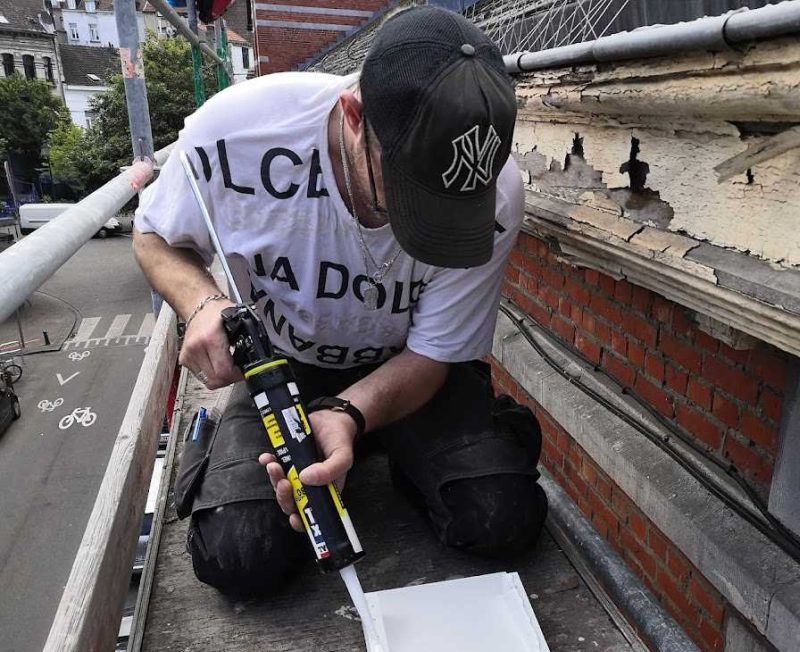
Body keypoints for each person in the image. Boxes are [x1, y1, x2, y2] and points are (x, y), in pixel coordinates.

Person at [133, 6, 547, 599]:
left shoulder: (496, 190)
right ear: (354, 116)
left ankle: (395, 451)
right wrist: (202, 305)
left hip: (408, 372)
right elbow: (151, 237)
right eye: (406, 197)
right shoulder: (235, 134)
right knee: (237, 554)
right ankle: (292, 459)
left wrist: (350, 415)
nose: (418, 231)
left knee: (502, 518)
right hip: (283, 369)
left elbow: (434, 354)